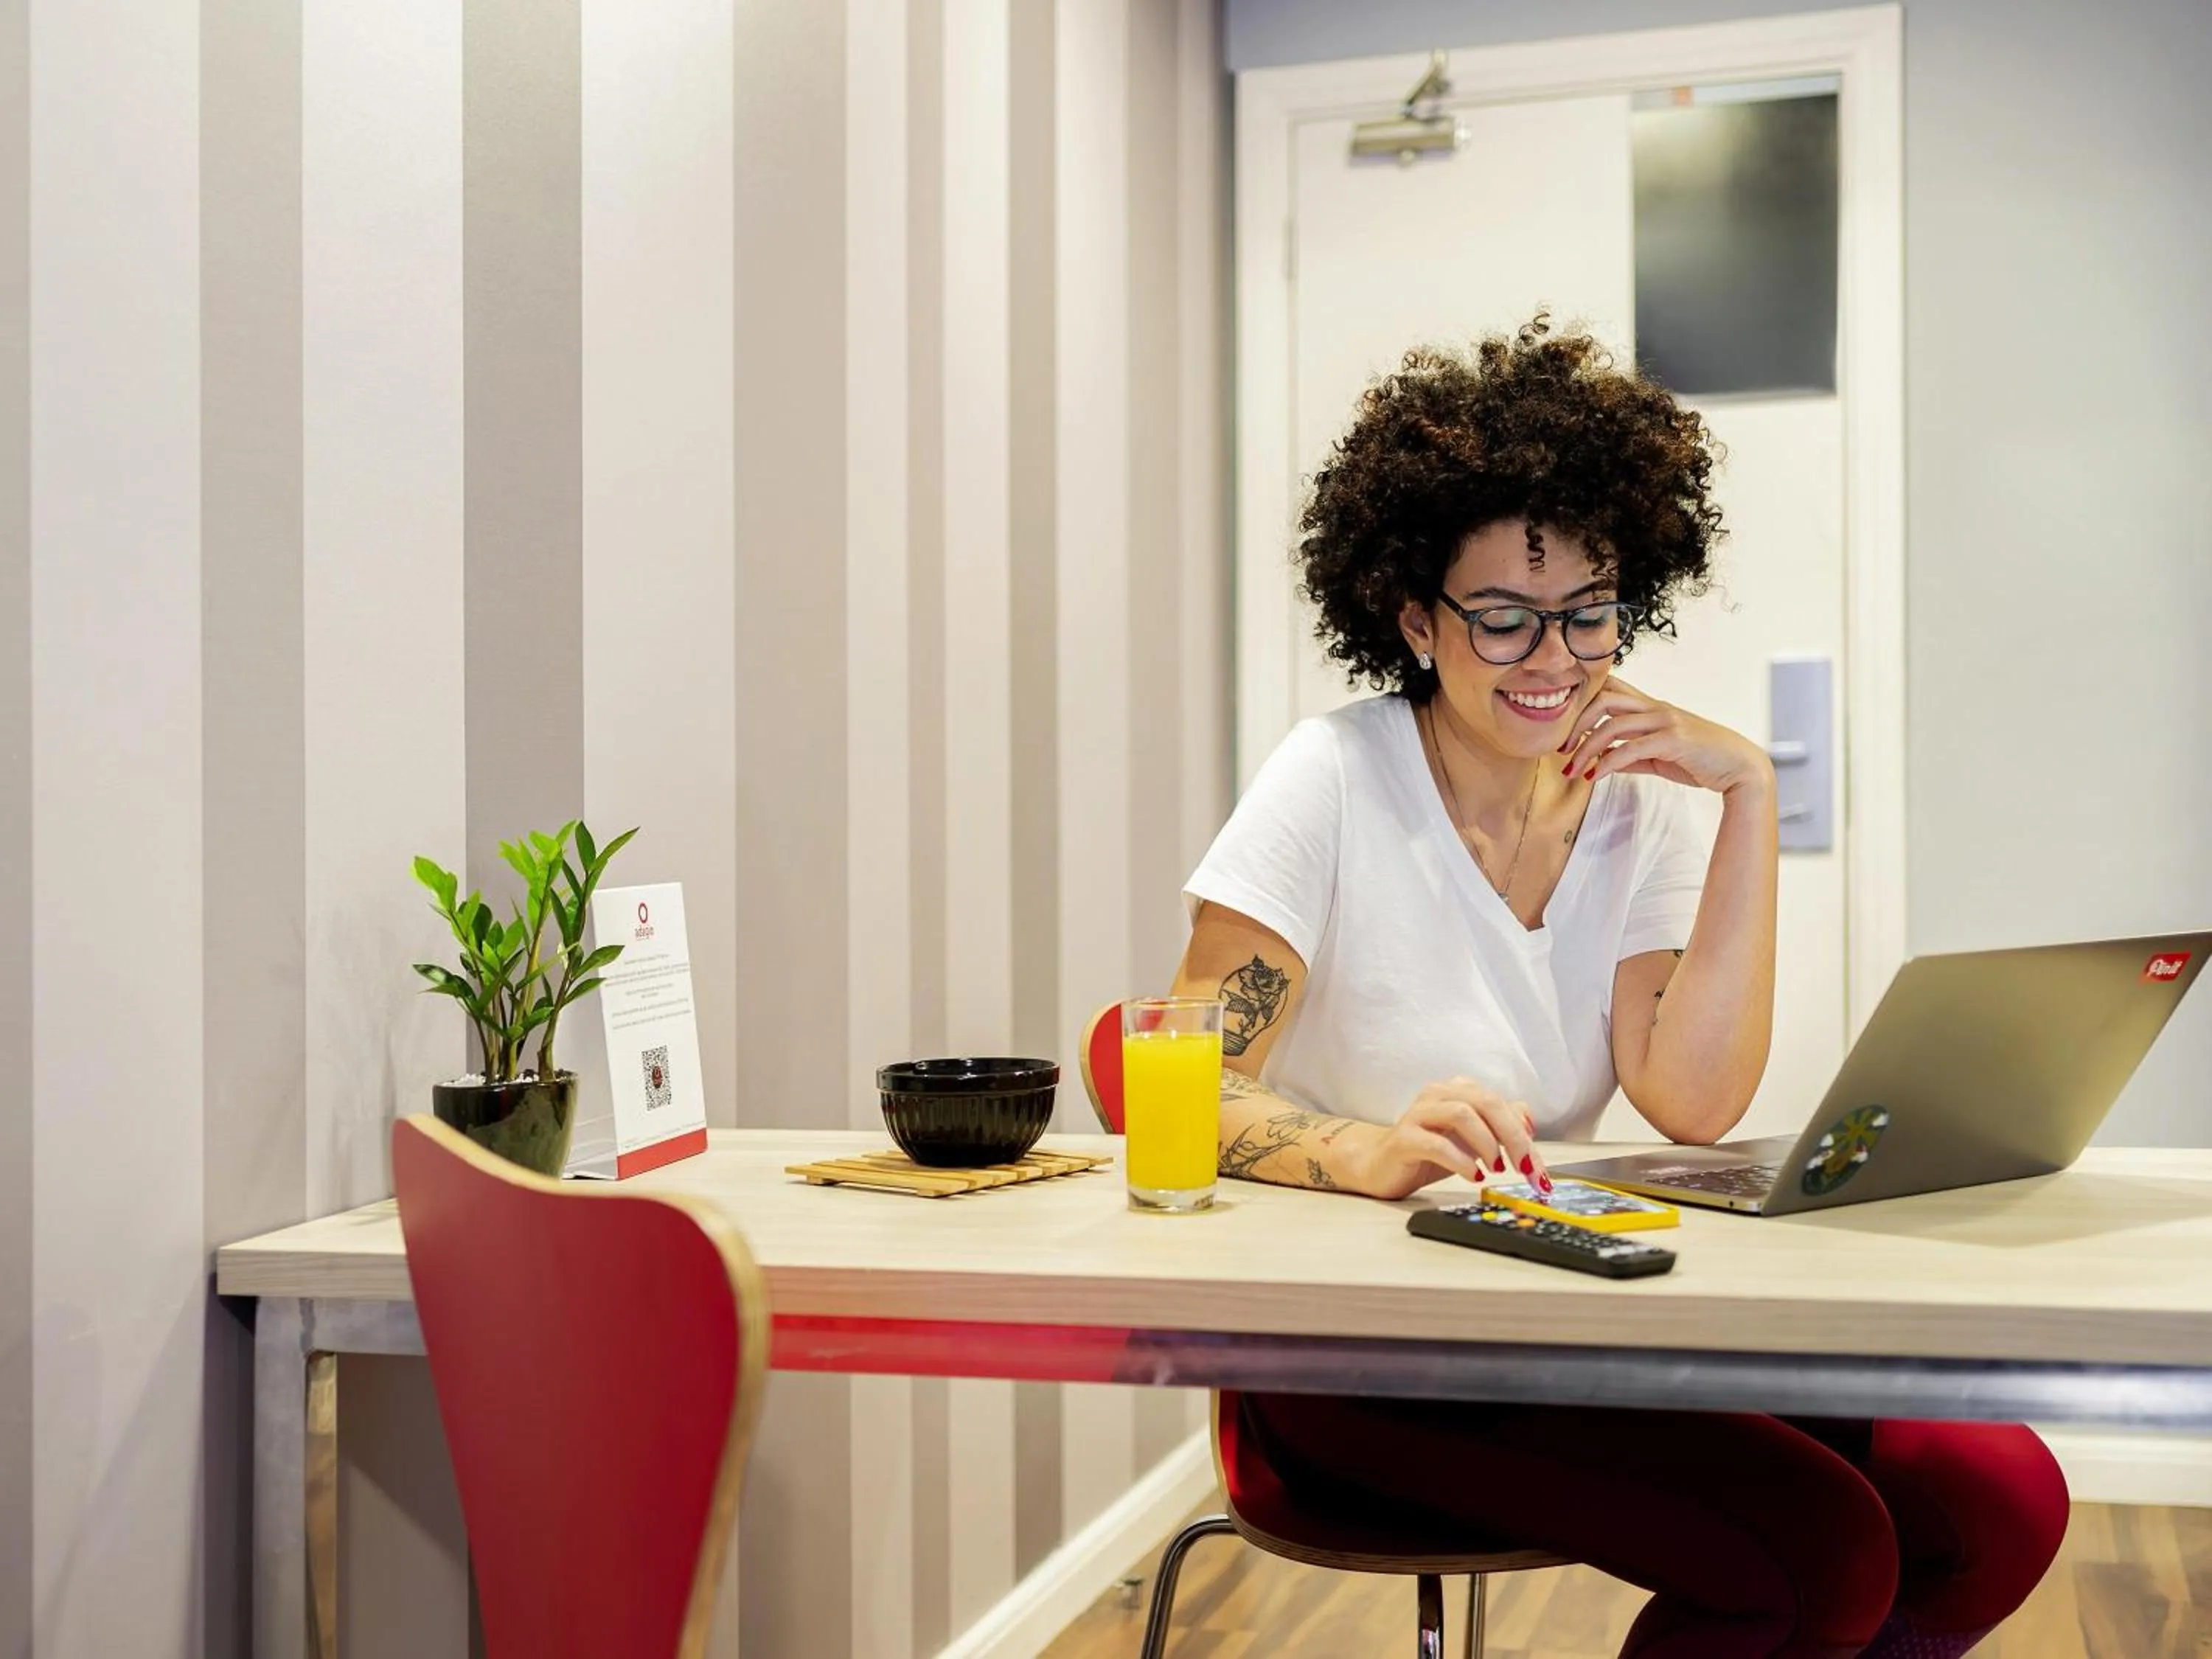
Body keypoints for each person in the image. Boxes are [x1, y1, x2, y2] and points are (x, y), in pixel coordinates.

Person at [1171, 317, 2067, 1659]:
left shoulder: (1634, 802)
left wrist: (1747, 791)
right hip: (1355, 1353)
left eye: (1590, 612)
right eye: (1502, 618)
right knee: (1815, 1556)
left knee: (1996, 1495)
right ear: (1415, 620)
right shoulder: (1335, 778)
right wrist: (1361, 1147)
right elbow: (1164, 1091)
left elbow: (1693, 1101)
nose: (1556, 658)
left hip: (1568, 1306)